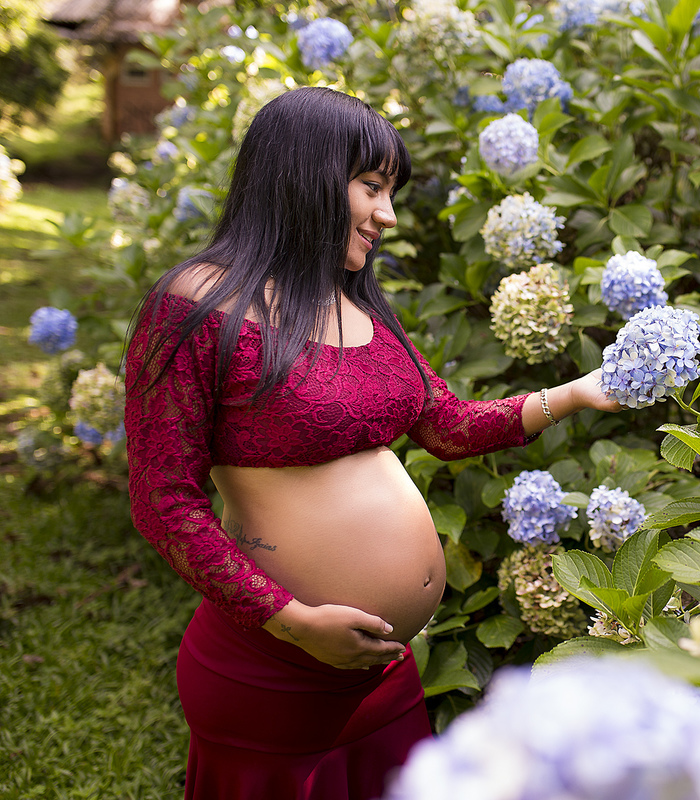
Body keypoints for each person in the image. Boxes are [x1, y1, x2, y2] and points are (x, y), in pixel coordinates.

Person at [123, 86, 620, 800]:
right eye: (372, 187)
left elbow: (447, 425)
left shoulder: (355, 304)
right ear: (304, 174)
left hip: (382, 669)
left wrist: (573, 394)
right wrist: (293, 623)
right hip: (273, 669)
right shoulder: (194, 308)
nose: (387, 215)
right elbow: (163, 503)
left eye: (391, 192)